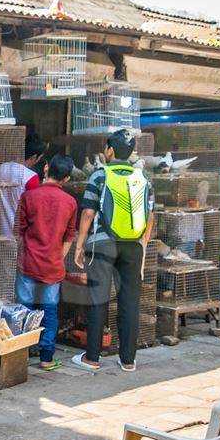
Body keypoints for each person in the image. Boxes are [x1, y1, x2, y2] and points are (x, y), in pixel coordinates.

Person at [71, 129, 154, 372]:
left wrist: (79, 245)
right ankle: (128, 360)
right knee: (130, 302)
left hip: (103, 244)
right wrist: (143, 245)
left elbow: (87, 212)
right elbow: (150, 216)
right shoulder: (144, 177)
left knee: (98, 300)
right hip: (134, 246)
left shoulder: (99, 175)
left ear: (110, 150)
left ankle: (92, 358)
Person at [15, 155, 78, 370]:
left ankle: (19, 356)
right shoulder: (70, 202)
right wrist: (57, 258)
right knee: (49, 311)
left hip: (29, 263)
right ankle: (46, 358)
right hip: (53, 266)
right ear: (67, 178)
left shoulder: (29, 197)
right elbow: (69, 236)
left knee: (24, 309)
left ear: (46, 168)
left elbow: (20, 230)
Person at [0, 133, 47, 238]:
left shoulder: (1, 168)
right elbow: (34, 209)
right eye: (40, 158)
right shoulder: (31, 177)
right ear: (34, 157)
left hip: (3, 232)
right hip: (21, 235)